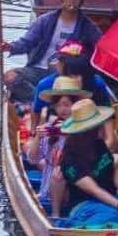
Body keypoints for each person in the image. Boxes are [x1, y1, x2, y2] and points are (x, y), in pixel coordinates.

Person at [0, 0, 102, 103]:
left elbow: (100, 51)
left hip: (65, 74)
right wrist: (10, 47)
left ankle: (45, 100)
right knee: (10, 77)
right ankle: (42, 101)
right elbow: (27, 42)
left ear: (81, 1)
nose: (72, 1)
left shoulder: (88, 27)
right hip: (37, 69)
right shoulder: (45, 21)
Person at [59, 99, 118, 222]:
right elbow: (94, 190)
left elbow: (111, 164)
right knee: (114, 217)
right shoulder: (69, 159)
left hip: (112, 196)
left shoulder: (98, 143)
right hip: (86, 204)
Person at [26, 76, 92, 214]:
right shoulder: (51, 128)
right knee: (55, 173)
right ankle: (55, 211)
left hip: (77, 184)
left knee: (59, 174)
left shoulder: (86, 126)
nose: (63, 109)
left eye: (67, 105)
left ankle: (56, 213)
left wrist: (71, 136)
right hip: (51, 188)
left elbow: (87, 158)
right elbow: (33, 158)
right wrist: (38, 137)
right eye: (59, 105)